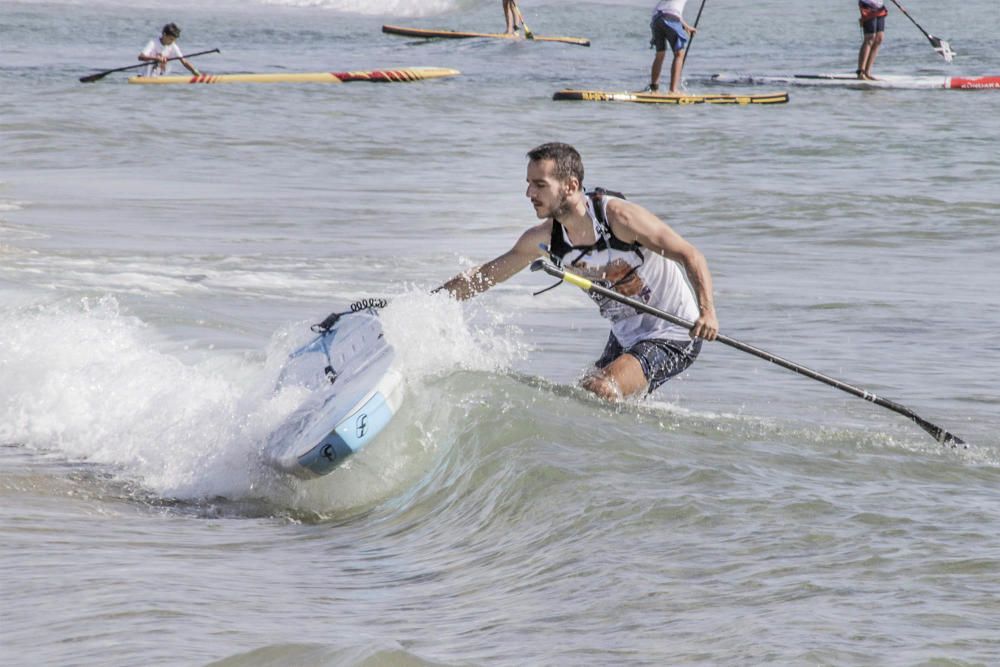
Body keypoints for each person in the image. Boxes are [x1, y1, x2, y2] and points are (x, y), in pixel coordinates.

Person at [438, 143, 719, 401]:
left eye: (539, 185)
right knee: (578, 399)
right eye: (528, 185)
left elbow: (690, 255)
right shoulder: (545, 239)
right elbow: (486, 275)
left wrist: (707, 312)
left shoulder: (619, 218)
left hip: (675, 330)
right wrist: (432, 302)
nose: (529, 194)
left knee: (600, 389)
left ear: (571, 185)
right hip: (624, 334)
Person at [646, 0, 698, 94]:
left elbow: (672, 10)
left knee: (660, 54)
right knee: (679, 54)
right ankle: (673, 90)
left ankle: (654, 89)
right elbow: (672, 12)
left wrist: (686, 26)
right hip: (670, 18)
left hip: (656, 19)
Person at [857, 1, 887, 80]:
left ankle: (868, 72)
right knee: (870, 37)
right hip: (867, 5)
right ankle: (861, 72)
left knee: (879, 38)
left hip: (879, 6)